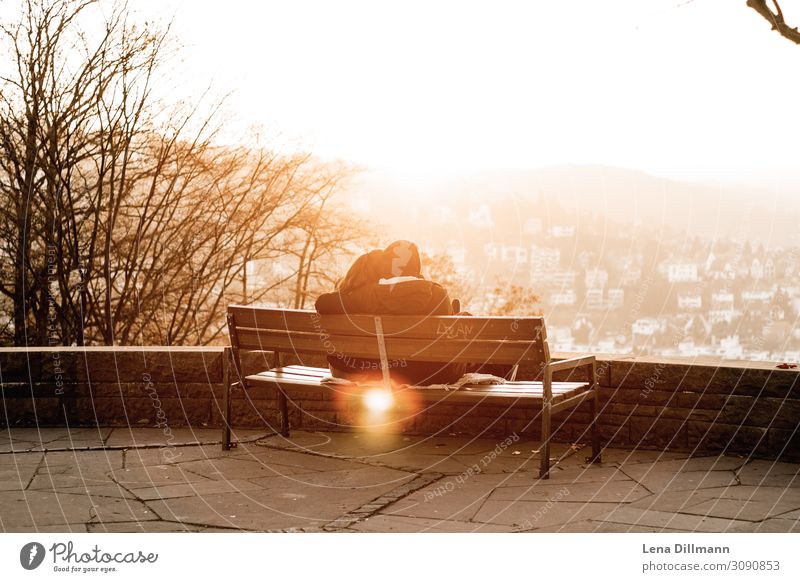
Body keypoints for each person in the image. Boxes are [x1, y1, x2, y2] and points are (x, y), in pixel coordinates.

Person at [315, 240, 464, 385]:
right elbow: (448, 336)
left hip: (383, 370)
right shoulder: (437, 294)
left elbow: (322, 303)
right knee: (462, 333)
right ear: (416, 265)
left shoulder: (367, 294)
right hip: (430, 374)